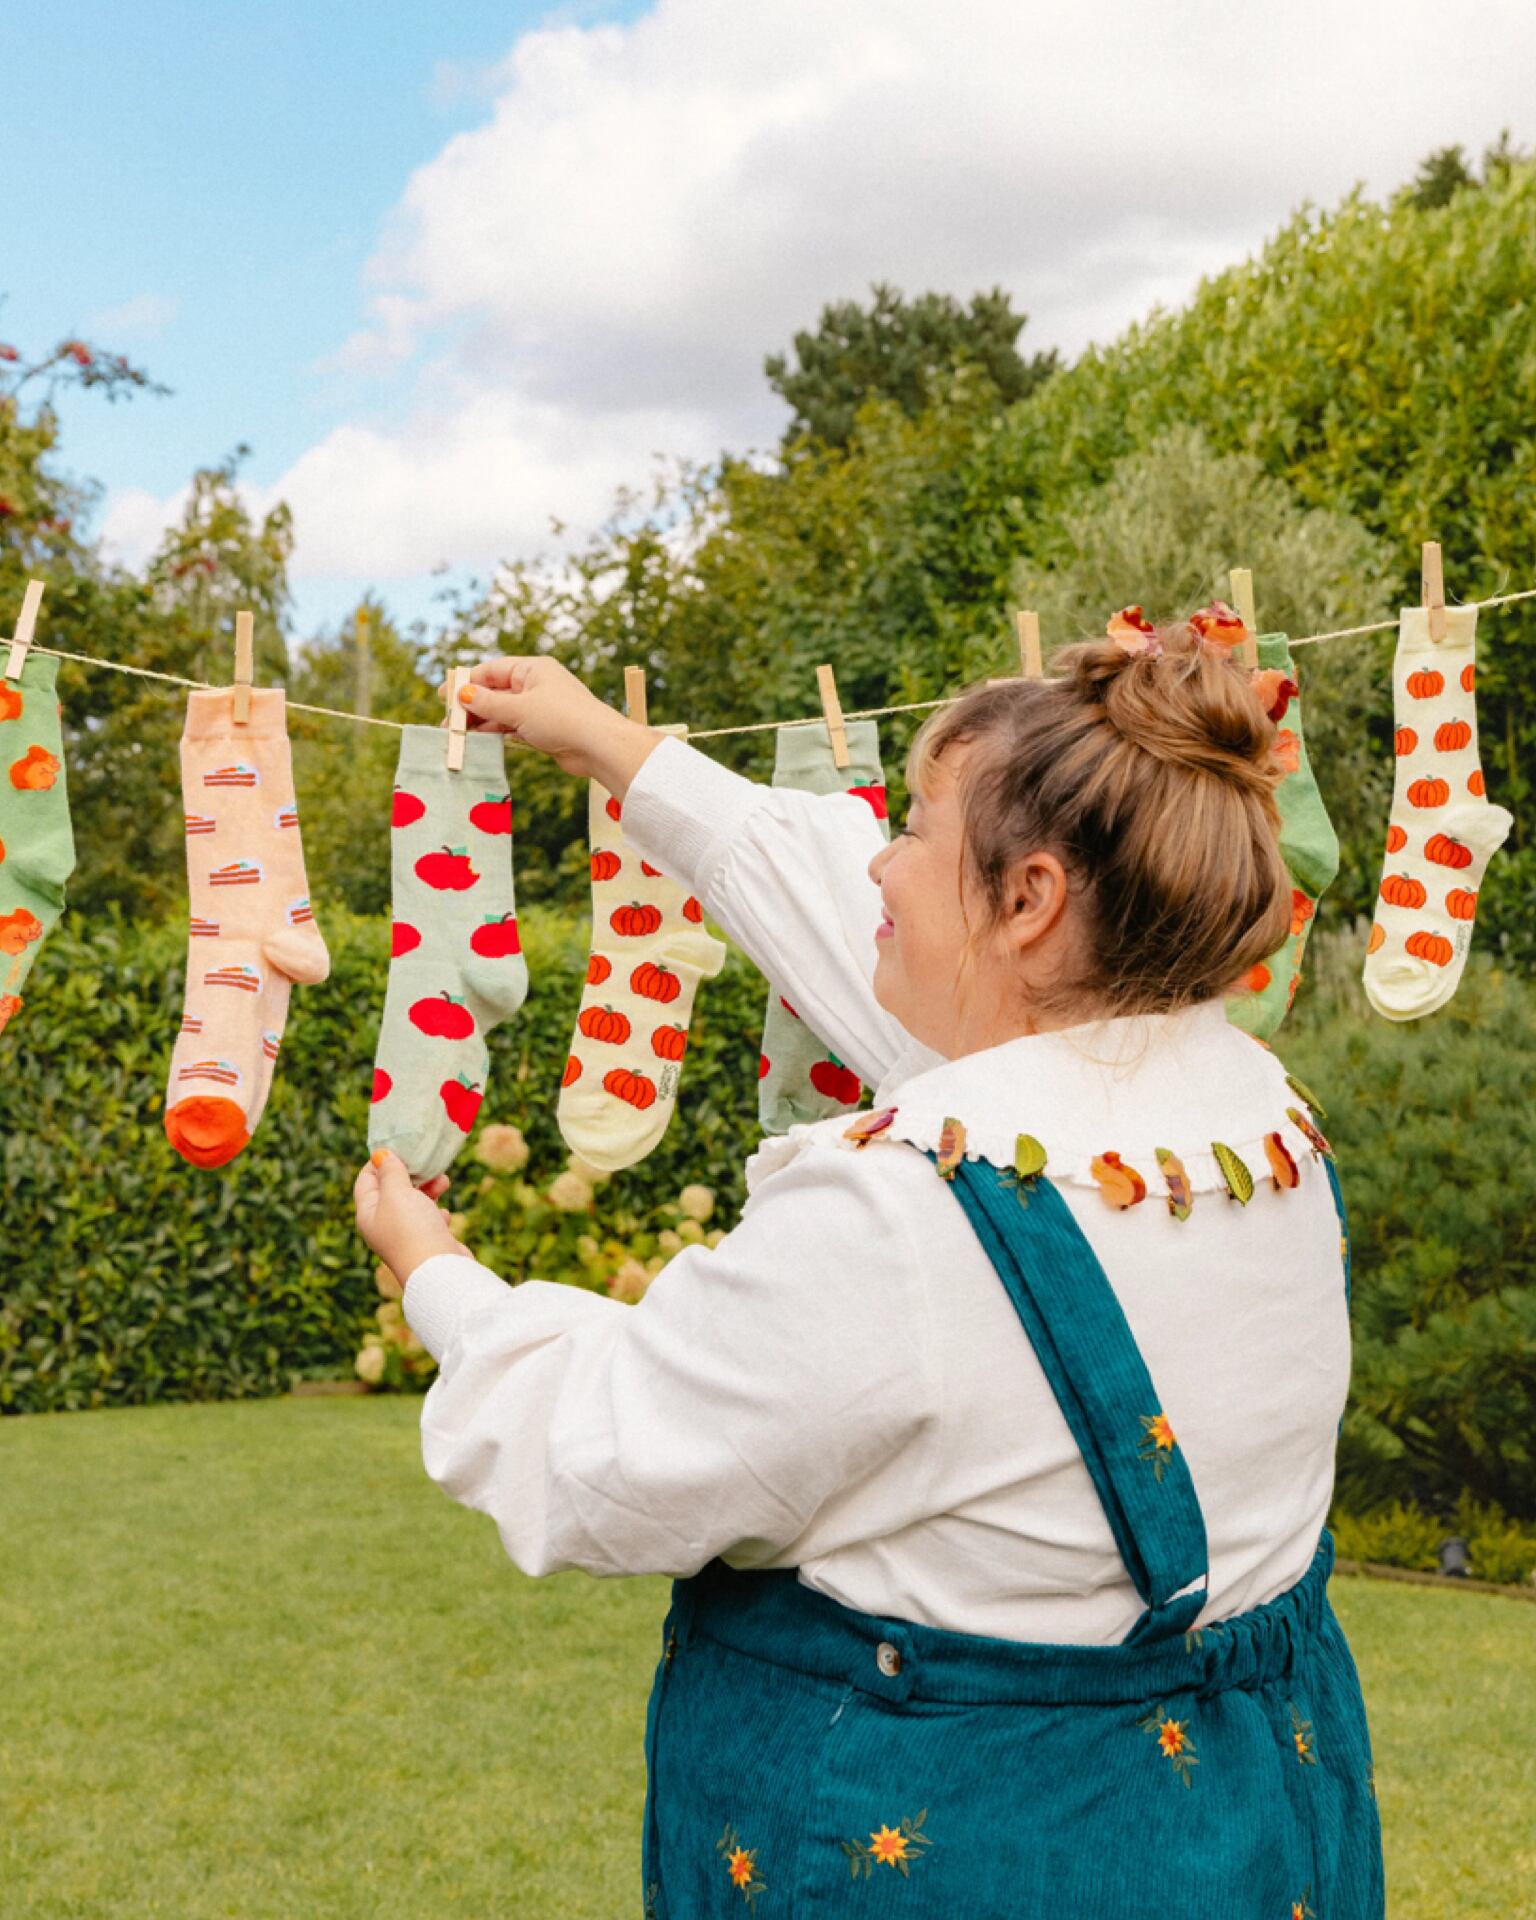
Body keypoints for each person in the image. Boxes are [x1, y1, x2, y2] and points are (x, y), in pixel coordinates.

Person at [353, 625, 1385, 1919]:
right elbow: (845, 909)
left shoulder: (905, 1220)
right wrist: (609, 744)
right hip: (1258, 1834)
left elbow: (600, 1458)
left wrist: (440, 1275)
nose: (878, 860)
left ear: (1031, 901)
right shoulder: (1258, 1123)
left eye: (914, 828)